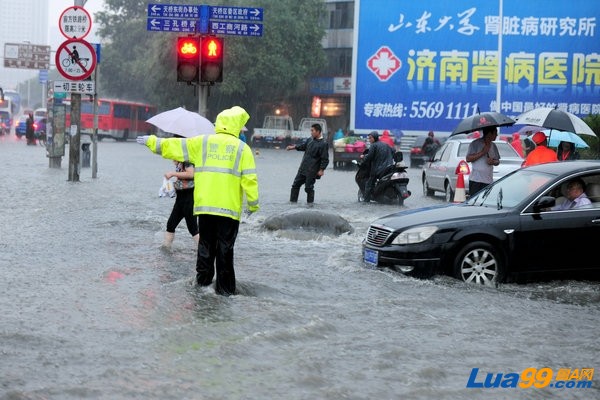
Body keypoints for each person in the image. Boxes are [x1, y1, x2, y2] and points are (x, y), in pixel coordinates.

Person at [137, 106, 259, 296]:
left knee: (205, 248)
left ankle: (202, 288)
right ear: (237, 125)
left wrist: (151, 141)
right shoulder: (243, 149)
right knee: (225, 251)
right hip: (229, 211)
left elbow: (175, 146)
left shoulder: (203, 142)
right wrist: (253, 205)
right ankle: (225, 293)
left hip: (204, 207)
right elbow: (250, 180)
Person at [286, 123, 329, 204]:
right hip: (303, 168)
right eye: (311, 131)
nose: (311, 132)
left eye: (312, 131)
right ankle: (292, 203)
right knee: (295, 185)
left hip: (312, 170)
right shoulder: (310, 140)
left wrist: (322, 169)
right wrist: (293, 147)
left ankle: (310, 206)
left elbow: (325, 159)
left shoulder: (323, 144)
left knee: (308, 188)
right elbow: (303, 146)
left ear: (318, 131)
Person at [163, 154, 199, 249]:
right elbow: (183, 180)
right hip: (180, 198)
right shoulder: (180, 163)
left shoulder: (187, 160)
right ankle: (166, 248)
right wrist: (171, 187)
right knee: (170, 225)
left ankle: (204, 252)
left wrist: (173, 174)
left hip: (189, 198)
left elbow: (191, 174)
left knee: (193, 228)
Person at [360, 131, 394, 202]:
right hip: (389, 168)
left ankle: (366, 201)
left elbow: (369, 157)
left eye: (370, 138)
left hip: (378, 170)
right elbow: (394, 151)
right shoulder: (385, 144)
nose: (369, 140)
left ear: (375, 137)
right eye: (369, 138)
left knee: (369, 183)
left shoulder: (373, 145)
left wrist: (363, 157)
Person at [465, 126, 500, 195]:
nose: (497, 135)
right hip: (475, 180)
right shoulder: (475, 144)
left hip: (488, 181)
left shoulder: (493, 146)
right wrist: (482, 152)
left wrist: (493, 162)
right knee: (474, 202)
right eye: (495, 133)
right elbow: (468, 159)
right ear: (489, 133)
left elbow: (497, 161)